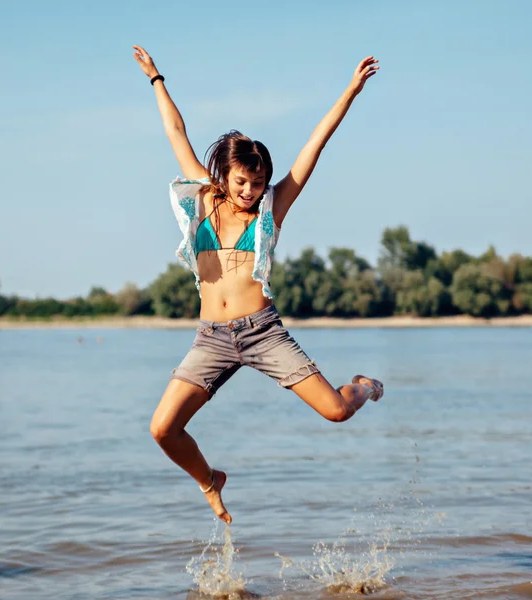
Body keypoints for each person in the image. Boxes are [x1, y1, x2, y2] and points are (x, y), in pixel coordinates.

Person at [133, 45, 384, 525]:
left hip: (263, 332)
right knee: (163, 429)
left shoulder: (272, 209)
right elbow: (175, 132)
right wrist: (156, 79)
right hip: (211, 338)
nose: (251, 191)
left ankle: (364, 386)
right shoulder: (202, 202)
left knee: (335, 411)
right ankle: (211, 480)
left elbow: (314, 145)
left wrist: (350, 91)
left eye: (259, 181)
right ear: (223, 177)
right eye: (243, 182)